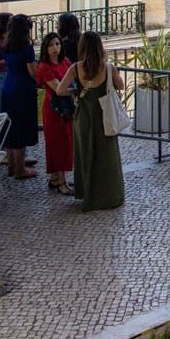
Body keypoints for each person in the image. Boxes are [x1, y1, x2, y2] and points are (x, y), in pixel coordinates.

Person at [58, 31, 125, 210]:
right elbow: (121, 86)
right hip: (105, 117)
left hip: (84, 118)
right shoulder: (108, 67)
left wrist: (76, 93)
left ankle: (88, 193)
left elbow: (60, 90)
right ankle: (109, 196)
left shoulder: (75, 68)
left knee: (86, 154)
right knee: (107, 157)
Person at [0, 13, 39, 179]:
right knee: (21, 127)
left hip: (8, 86)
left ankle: (11, 166)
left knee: (10, 127)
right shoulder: (26, 47)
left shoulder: (6, 46)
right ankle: (20, 169)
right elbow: (32, 72)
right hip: (23, 89)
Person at [36, 31, 76, 194]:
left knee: (64, 141)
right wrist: (77, 91)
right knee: (57, 143)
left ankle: (55, 178)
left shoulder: (66, 62)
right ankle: (61, 182)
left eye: (57, 44)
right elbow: (59, 89)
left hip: (66, 107)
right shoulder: (44, 67)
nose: (55, 48)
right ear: (46, 48)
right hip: (54, 109)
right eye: (51, 45)